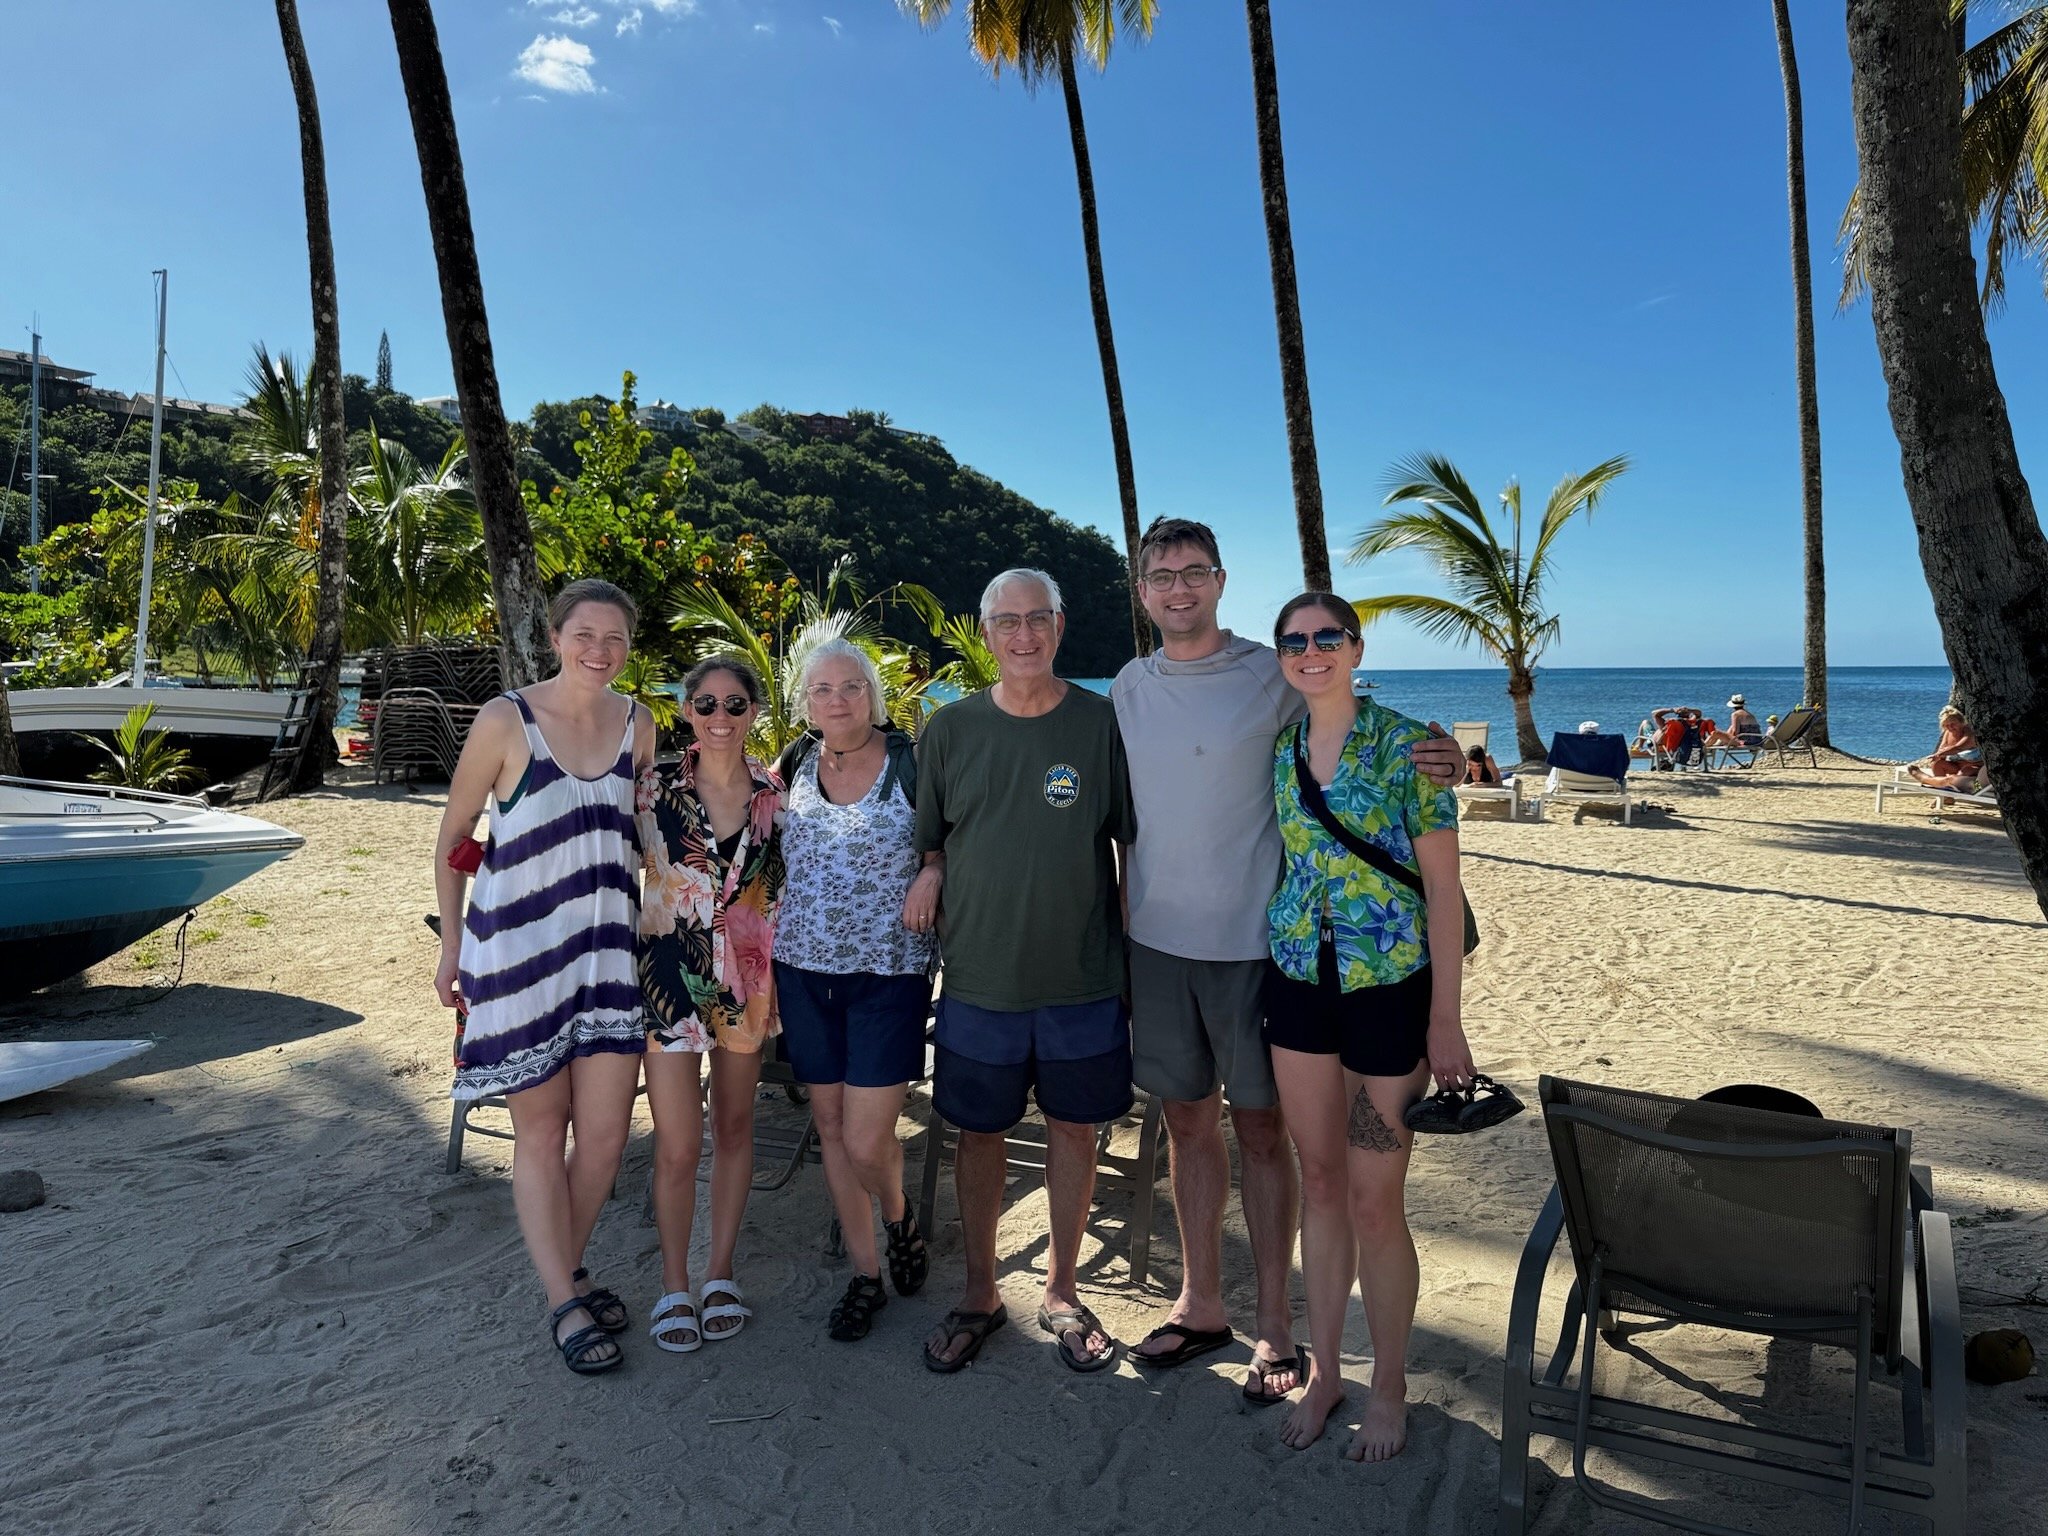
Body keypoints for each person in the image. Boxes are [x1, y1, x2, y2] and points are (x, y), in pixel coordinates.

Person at [1109, 518, 1464, 1406]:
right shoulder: (1126, 686)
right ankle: (1208, 1309)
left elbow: (1363, 729)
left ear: (1221, 581)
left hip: (1285, 962)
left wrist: (1455, 756)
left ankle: (1286, 1338)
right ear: (1142, 591)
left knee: (1290, 1151)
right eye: (1162, 576)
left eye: (1195, 573)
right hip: (1200, 954)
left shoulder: (1272, 681)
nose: (1179, 588)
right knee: (1206, 1131)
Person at [1263, 592, 1478, 1463]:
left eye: (1326, 638)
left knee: (1373, 1199)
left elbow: (1444, 894)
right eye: (1294, 641)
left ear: (1355, 647)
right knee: (1319, 1181)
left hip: (1389, 991)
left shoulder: (1407, 749)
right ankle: (1325, 1374)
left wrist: (1447, 1023)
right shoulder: (1283, 749)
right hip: (1298, 983)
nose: (1310, 651)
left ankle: (1387, 1385)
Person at [909, 567, 1136, 1376]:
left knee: (1076, 1130)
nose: (1024, 634)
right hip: (979, 979)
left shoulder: (1104, 724)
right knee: (980, 1135)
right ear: (986, 632)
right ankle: (980, 1292)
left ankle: (1062, 1289)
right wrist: (932, 869)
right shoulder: (947, 731)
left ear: (1061, 626)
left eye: (1038, 618)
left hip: (1083, 975)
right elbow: (929, 837)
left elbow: (1134, 841)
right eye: (1007, 621)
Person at [433, 578, 656, 1376]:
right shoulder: (506, 720)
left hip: (607, 955)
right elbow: (456, 838)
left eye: (616, 640)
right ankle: (565, 1297)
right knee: (540, 1129)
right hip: (520, 957)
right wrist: (451, 945)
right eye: (585, 635)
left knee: (601, 1138)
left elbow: (643, 829)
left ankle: (568, 1266)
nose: (600, 651)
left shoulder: (641, 724)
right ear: (555, 637)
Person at [771, 639, 935, 1343]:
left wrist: (933, 872)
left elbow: (951, 838)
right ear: (805, 703)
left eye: (851, 687)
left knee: (869, 1141)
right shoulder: (790, 765)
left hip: (888, 974)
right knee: (832, 1131)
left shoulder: (912, 763)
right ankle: (866, 1273)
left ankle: (898, 1214)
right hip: (803, 973)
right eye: (822, 690)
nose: (837, 701)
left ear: (872, 693)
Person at [635, 654, 785, 1354]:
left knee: (732, 1130)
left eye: (734, 704)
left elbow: (788, 895)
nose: (719, 717)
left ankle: (719, 1272)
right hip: (668, 980)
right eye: (705, 704)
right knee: (676, 1143)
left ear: (755, 711)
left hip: (747, 988)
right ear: (685, 710)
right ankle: (673, 1282)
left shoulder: (777, 795)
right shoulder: (650, 790)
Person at [1909, 706, 1982, 785]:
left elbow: (1958, 748)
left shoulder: (1969, 732)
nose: (1950, 727)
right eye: (1946, 725)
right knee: (1937, 765)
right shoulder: (1948, 733)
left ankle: (1928, 780)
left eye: (1953, 724)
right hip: (1956, 767)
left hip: (1975, 768)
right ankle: (1946, 794)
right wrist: (1939, 756)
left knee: (1965, 771)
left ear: (1961, 722)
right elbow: (1942, 751)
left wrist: (1939, 754)